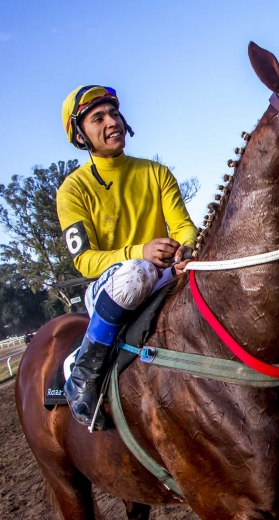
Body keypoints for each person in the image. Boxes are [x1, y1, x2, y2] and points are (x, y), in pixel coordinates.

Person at [57, 85, 197, 429]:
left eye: (115, 114)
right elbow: (84, 260)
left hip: (165, 275)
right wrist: (141, 252)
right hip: (114, 287)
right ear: (80, 135)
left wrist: (185, 250)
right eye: (98, 118)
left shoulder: (156, 173)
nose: (112, 122)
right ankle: (84, 373)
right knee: (137, 273)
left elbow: (184, 227)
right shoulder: (72, 190)